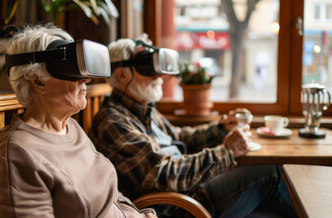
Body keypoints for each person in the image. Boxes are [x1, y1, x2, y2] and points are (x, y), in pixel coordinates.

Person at [90, 35, 297, 218]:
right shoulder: (112, 120)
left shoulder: (144, 109)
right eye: (147, 66)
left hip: (190, 189)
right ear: (122, 75)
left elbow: (178, 137)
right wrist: (226, 152)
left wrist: (220, 128)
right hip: (177, 206)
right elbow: (163, 174)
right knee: (270, 172)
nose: (159, 76)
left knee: (269, 200)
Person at [0, 24, 157, 218]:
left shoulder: (70, 127)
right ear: (38, 81)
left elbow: (110, 194)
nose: (86, 80)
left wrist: (143, 214)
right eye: (72, 68)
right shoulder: (16, 155)